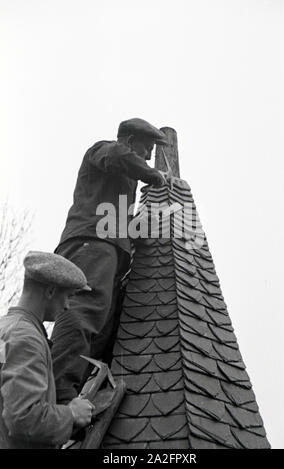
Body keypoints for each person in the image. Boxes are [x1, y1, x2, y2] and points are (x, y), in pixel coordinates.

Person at [50, 118, 168, 404]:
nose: (149, 156)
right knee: (85, 310)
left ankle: (74, 392)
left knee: (100, 326)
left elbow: (121, 222)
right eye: (146, 148)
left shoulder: (122, 182)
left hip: (107, 250)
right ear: (128, 141)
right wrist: (156, 176)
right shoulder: (104, 151)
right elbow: (117, 156)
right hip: (91, 243)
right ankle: (59, 390)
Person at [0, 251, 94, 449]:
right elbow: (22, 417)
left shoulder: (6, 328)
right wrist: (72, 414)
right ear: (50, 291)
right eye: (68, 296)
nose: (68, 306)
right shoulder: (27, 339)